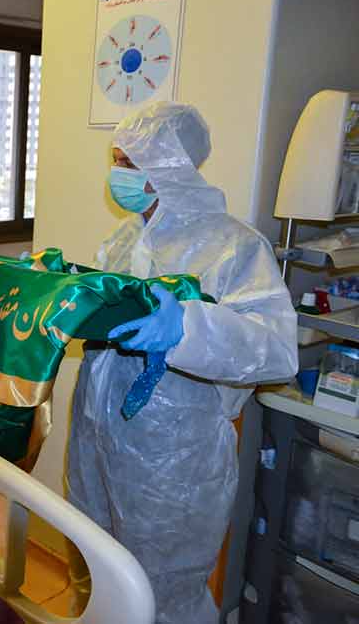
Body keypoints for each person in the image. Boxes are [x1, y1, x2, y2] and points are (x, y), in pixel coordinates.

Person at [66, 102, 297, 624]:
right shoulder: (124, 239)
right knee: (92, 567)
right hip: (96, 437)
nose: (117, 174)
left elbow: (277, 350)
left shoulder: (233, 247)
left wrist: (189, 328)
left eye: (129, 162)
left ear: (168, 168)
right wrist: (59, 291)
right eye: (117, 159)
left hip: (172, 462)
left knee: (162, 594)